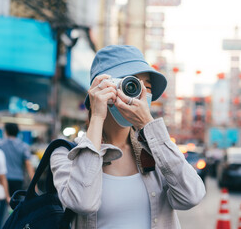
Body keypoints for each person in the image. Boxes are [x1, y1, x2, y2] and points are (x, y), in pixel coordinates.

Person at [50, 45, 206, 229]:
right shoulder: (66, 154)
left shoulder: (155, 153)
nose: (140, 94)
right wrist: (98, 117)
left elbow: (192, 196)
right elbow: (83, 203)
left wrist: (148, 124)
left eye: (146, 87)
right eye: (130, 84)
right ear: (100, 90)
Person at [0, 122, 35, 228]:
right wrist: (34, 182)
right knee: (16, 208)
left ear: (6, 131)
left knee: (0, 209)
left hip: (2, 180)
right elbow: (28, 164)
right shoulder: (23, 146)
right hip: (18, 180)